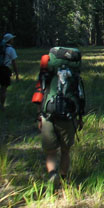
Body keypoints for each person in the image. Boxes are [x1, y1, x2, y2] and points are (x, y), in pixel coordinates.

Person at [34, 48, 85, 186]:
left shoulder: (48, 74)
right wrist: (80, 118)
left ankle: (52, 175)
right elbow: (80, 97)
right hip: (68, 115)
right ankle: (63, 179)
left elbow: (39, 93)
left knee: (50, 152)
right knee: (65, 150)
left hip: (48, 113)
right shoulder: (74, 75)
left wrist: (39, 115)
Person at [0, 33, 19, 109]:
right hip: (5, 69)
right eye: (12, 39)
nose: (13, 40)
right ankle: (2, 105)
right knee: (4, 88)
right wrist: (17, 74)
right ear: (10, 40)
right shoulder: (11, 50)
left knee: (2, 85)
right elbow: (14, 63)